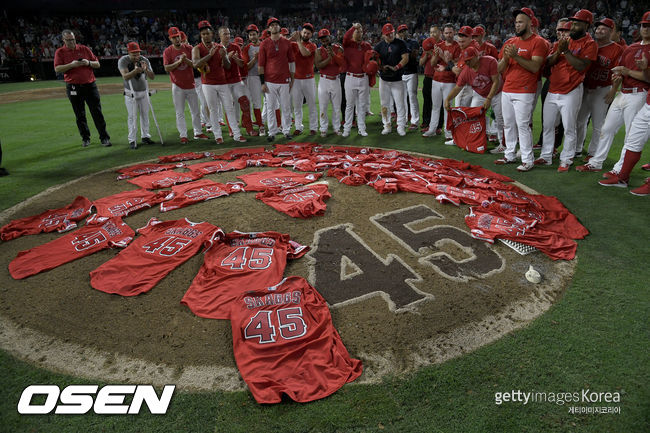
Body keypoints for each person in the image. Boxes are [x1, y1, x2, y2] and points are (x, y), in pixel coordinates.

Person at [585, 13, 650, 175]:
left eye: (648, 26)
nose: (645, 28)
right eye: (643, 25)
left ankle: (619, 169)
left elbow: (646, 78)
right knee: (606, 129)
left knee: (631, 134)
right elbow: (619, 71)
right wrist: (615, 85)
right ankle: (596, 162)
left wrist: (630, 71)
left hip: (639, 94)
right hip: (623, 92)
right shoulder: (632, 48)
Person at [537, 9, 598, 172]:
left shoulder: (590, 44)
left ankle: (566, 159)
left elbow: (581, 66)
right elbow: (548, 63)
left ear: (587, 25)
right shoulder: (563, 41)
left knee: (570, 126)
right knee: (548, 125)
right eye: (574, 22)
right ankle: (546, 156)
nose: (574, 25)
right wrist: (559, 51)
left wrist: (566, 52)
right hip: (553, 88)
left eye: (578, 23)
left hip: (571, 90)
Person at [495, 7, 548, 172]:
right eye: (516, 22)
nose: (517, 25)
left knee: (523, 125)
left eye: (520, 22)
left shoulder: (538, 42)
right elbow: (499, 68)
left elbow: (535, 67)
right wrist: (506, 57)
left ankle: (527, 159)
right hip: (508, 88)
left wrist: (516, 56)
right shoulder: (510, 42)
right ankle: (509, 154)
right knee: (508, 124)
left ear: (530, 23)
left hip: (525, 90)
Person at [599, 44, 650, 196]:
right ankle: (622, 178)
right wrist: (645, 69)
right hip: (648, 103)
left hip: (641, 97)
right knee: (634, 138)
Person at [574, 18, 624, 171]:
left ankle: (593, 152)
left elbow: (618, 72)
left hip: (603, 89)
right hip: (585, 87)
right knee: (579, 120)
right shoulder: (591, 45)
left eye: (603, 29)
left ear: (611, 31)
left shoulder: (617, 49)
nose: (599, 31)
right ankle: (576, 148)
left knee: (598, 124)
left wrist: (613, 90)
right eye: (597, 28)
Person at [54, 29, 111, 148]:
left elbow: (97, 64)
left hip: (90, 85)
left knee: (97, 112)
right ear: (63, 40)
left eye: (73, 39)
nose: (71, 42)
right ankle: (85, 138)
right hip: (73, 87)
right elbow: (57, 69)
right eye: (68, 40)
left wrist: (88, 63)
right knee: (80, 115)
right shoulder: (60, 52)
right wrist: (72, 65)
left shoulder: (84, 49)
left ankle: (104, 138)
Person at [192, 20, 246, 144]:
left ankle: (237, 134)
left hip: (222, 83)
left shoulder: (220, 47)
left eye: (208, 33)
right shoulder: (197, 48)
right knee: (213, 110)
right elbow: (195, 64)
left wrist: (224, 56)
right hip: (208, 83)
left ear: (212, 34)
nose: (206, 36)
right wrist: (209, 56)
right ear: (201, 35)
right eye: (204, 34)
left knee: (229, 108)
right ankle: (218, 136)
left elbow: (227, 66)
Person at [444, 47, 503, 148]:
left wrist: (489, 98)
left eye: (470, 59)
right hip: (480, 94)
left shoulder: (490, 61)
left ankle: (503, 144)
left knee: (500, 118)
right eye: (466, 61)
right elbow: (457, 88)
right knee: (473, 116)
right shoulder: (466, 71)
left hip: (498, 92)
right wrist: (448, 99)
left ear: (477, 56)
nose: (468, 62)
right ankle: (473, 140)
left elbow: (496, 81)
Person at [163, 27, 208, 143]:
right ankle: (183, 135)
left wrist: (185, 60)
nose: (177, 39)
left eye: (177, 36)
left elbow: (195, 64)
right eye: (174, 37)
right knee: (180, 112)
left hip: (191, 84)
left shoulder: (189, 48)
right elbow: (167, 68)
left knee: (195, 111)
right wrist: (179, 62)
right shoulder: (168, 51)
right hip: (177, 86)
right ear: (170, 39)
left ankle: (198, 132)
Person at [258, 17, 295, 141]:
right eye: (272, 25)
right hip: (269, 80)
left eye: (276, 25)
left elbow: (291, 61)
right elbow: (261, 65)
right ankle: (272, 132)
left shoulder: (286, 42)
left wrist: (292, 78)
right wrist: (262, 82)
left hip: (284, 79)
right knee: (270, 107)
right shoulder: (264, 43)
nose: (274, 26)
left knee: (286, 107)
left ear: (279, 27)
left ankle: (286, 130)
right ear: (268, 28)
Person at [422, 23, 460, 139]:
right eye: (446, 32)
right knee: (435, 106)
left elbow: (457, 65)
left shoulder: (457, 46)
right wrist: (436, 54)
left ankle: (448, 131)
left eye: (450, 32)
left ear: (454, 33)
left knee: (447, 106)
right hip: (437, 79)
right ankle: (432, 129)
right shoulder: (439, 45)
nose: (448, 35)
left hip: (449, 81)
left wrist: (443, 56)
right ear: (443, 33)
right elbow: (433, 63)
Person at [218, 26, 257, 137]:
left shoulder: (235, 47)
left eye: (229, 33)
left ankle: (249, 128)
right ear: (220, 35)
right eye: (225, 34)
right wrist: (226, 57)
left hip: (236, 80)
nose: (228, 36)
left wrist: (235, 58)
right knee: (229, 106)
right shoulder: (217, 48)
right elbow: (217, 67)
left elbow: (241, 65)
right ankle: (232, 129)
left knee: (245, 102)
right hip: (224, 82)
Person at [118, 41, 155, 150]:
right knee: (132, 116)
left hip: (143, 92)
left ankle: (145, 136)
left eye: (138, 53)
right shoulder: (123, 60)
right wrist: (135, 71)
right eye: (134, 54)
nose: (136, 56)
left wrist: (146, 69)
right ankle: (132, 139)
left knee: (145, 114)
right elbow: (125, 76)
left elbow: (152, 76)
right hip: (130, 93)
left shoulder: (144, 60)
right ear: (128, 53)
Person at [374, 23, 409, 136]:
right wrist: (380, 68)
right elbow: (373, 60)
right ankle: (387, 125)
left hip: (397, 79)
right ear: (383, 35)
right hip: (384, 80)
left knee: (400, 104)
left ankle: (401, 126)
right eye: (388, 34)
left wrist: (396, 67)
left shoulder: (400, 43)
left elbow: (405, 58)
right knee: (384, 104)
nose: (390, 35)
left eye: (392, 33)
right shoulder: (379, 46)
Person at [342, 22, 371, 137]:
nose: (359, 33)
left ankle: (361, 128)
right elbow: (345, 37)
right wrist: (353, 27)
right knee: (350, 105)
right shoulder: (348, 44)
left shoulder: (367, 45)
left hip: (363, 77)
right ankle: (347, 129)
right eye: (357, 31)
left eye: (360, 31)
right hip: (350, 77)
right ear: (352, 32)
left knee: (362, 105)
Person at [315, 28, 345, 137]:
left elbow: (341, 63)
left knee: (336, 107)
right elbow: (319, 65)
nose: (324, 40)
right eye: (321, 38)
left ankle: (336, 128)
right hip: (324, 80)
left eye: (325, 37)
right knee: (323, 106)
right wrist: (329, 57)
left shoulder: (339, 48)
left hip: (336, 79)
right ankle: (323, 128)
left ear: (329, 37)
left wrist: (333, 54)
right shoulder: (318, 51)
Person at [289, 23, 318, 136]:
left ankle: (313, 127)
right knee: (297, 105)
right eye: (304, 32)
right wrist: (291, 38)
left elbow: (304, 53)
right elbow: (282, 45)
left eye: (308, 33)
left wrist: (297, 41)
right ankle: (298, 127)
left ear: (311, 35)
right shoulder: (293, 43)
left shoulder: (312, 45)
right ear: (301, 32)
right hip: (296, 79)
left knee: (311, 104)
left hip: (308, 78)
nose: (306, 34)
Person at [242, 24, 265, 134]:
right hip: (253, 77)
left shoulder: (265, 45)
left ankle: (278, 125)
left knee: (273, 102)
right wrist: (256, 58)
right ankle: (260, 124)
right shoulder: (247, 48)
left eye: (254, 34)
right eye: (250, 35)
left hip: (266, 76)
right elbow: (246, 66)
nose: (252, 36)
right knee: (256, 102)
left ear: (258, 34)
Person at [397, 24, 420, 130]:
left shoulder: (413, 42)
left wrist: (403, 48)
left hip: (412, 73)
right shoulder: (397, 44)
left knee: (412, 97)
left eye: (405, 30)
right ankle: (405, 119)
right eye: (401, 31)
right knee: (402, 98)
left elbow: (414, 56)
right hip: (401, 73)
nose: (403, 33)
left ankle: (415, 121)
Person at [420, 26, 440, 132]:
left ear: (439, 33)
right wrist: (426, 54)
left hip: (438, 78)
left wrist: (432, 53)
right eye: (431, 32)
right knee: (427, 101)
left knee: (438, 103)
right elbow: (421, 63)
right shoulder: (427, 46)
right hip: (427, 77)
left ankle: (439, 125)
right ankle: (426, 122)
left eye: (435, 32)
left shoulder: (442, 45)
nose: (432, 34)